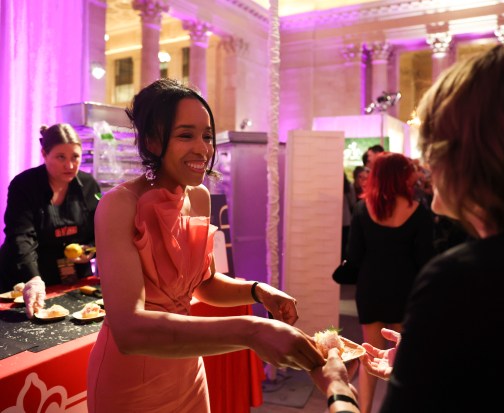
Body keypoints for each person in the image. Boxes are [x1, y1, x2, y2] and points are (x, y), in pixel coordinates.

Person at [311, 37, 504, 412]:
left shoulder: (461, 282)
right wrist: (430, 360)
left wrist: (338, 389)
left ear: (477, 155)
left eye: (437, 142)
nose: (426, 161)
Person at [87, 78, 324, 413]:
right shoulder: (119, 205)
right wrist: (251, 330)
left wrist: (258, 291)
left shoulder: (198, 197)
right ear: (153, 141)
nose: (203, 148)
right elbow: (128, 329)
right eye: (186, 135)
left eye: (207, 135)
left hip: (187, 373)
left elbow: (205, 284)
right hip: (131, 385)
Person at [345, 151, 435, 413]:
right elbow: (425, 259)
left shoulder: (363, 209)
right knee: (404, 356)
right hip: (406, 291)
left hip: (371, 289)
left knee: (369, 357)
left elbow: (353, 256)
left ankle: (363, 411)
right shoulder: (418, 212)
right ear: (401, 176)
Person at [0, 123, 100, 318]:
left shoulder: (89, 185)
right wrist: (33, 278)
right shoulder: (24, 185)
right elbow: (20, 236)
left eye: (75, 157)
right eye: (61, 157)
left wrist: (90, 249)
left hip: (73, 278)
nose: (70, 165)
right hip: (27, 274)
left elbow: (101, 229)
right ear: (44, 154)